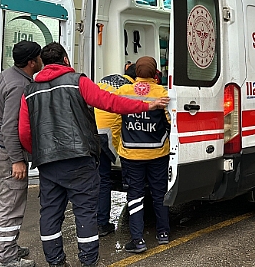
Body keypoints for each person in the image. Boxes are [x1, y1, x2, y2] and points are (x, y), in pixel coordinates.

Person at [18, 43, 169, 267]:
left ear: (44, 62)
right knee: (85, 212)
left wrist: (40, 153)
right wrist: (149, 106)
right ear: (66, 59)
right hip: (79, 160)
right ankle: (88, 261)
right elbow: (110, 102)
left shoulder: (29, 91)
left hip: (48, 163)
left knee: (50, 214)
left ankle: (56, 262)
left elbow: (24, 131)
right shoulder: (78, 82)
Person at [0, 41, 43, 267]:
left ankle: (10, 248)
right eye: (38, 57)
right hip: (6, 153)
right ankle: (5, 258)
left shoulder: (6, 75)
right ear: (31, 62)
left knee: (8, 202)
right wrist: (18, 160)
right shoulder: (19, 85)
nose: (41, 61)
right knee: (11, 207)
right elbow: (10, 126)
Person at [115, 56, 171, 254]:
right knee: (159, 193)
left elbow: (116, 120)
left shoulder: (123, 91)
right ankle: (163, 233)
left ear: (135, 72)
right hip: (157, 152)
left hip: (131, 154)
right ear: (155, 73)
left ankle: (137, 240)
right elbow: (170, 121)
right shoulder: (161, 92)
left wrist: (117, 146)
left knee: (135, 195)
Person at [93, 64, 136, 238]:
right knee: (104, 180)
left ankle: (91, 221)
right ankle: (102, 223)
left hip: (90, 130)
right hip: (106, 136)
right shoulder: (129, 88)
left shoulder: (105, 80)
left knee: (93, 178)